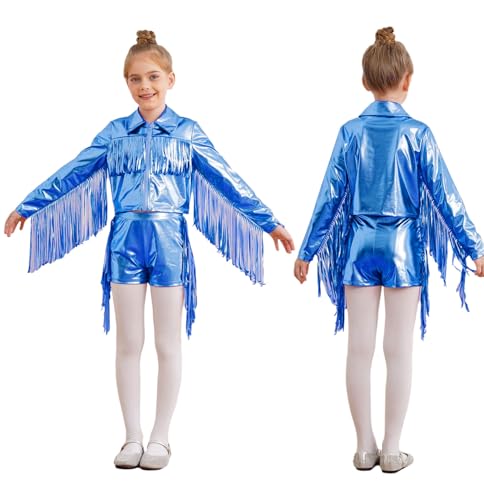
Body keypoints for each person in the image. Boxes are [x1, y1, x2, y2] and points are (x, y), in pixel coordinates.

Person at [4, 30, 294, 471]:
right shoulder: (115, 133)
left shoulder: (188, 132)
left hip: (169, 243)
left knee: (166, 342)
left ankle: (160, 436)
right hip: (125, 242)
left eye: (153, 77)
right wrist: (28, 205)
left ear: (170, 79)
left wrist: (268, 221)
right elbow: (74, 170)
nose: (145, 86)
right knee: (128, 342)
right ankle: (131, 436)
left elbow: (226, 178)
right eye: (135, 79)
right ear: (127, 83)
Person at [293, 27, 484, 473]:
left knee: (358, 350)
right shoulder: (417, 133)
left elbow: (330, 196)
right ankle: (392, 449)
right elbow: (446, 197)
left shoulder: (350, 132)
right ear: (408, 79)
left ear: (365, 81)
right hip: (403, 249)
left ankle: (364, 447)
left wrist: (307, 251)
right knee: (398, 351)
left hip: (358, 247)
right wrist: (476, 249)